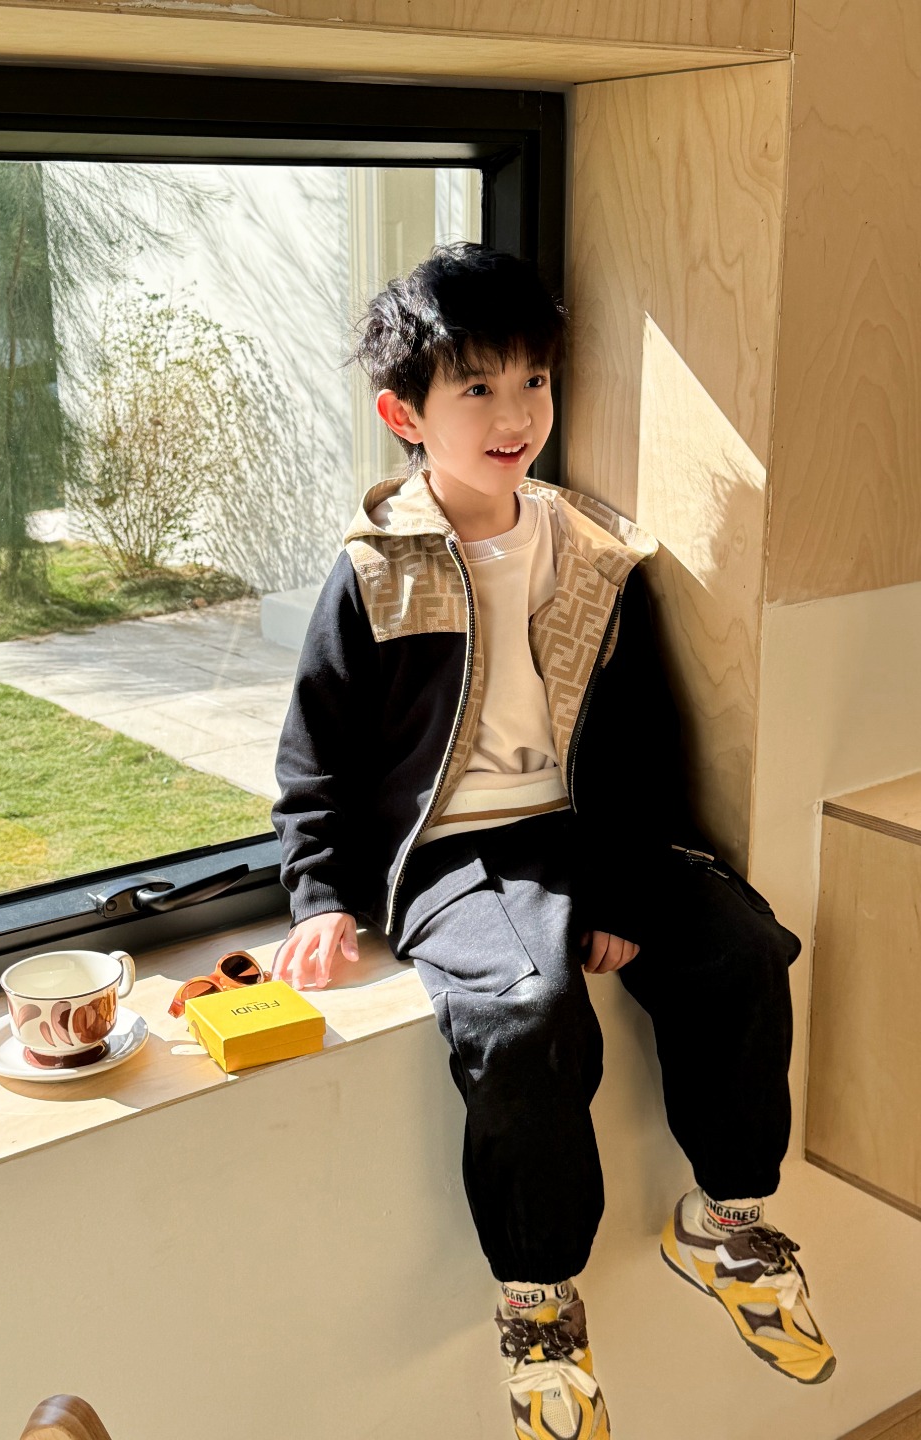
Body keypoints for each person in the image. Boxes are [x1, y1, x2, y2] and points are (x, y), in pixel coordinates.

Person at [270, 242, 834, 1439]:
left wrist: (624, 888)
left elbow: (640, 744)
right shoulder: (375, 572)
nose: (516, 413)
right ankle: (538, 1304)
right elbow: (316, 758)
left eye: (533, 380)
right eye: (477, 387)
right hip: (454, 856)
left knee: (742, 948)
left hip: (591, 832)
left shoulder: (593, 554)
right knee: (527, 1017)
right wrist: (319, 896)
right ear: (404, 415)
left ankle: (725, 1224)